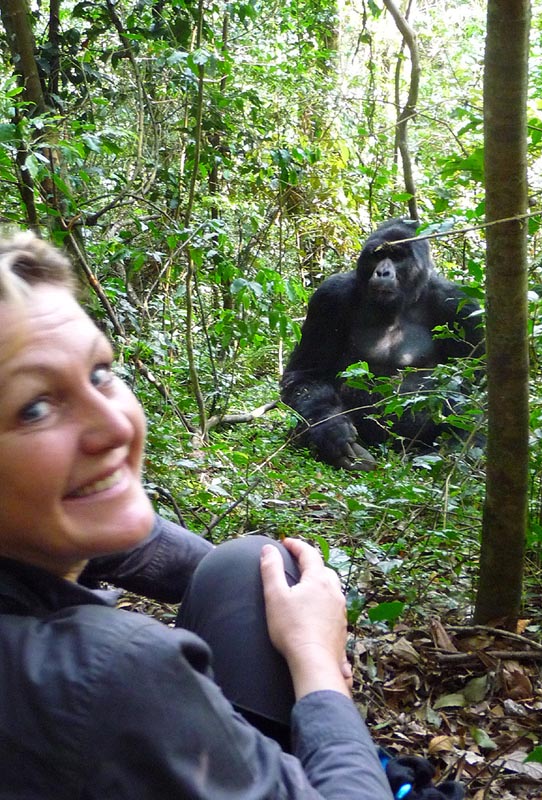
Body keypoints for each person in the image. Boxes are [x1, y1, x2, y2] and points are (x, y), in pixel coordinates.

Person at [0, 231, 394, 799]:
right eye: (34, 408)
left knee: (251, 565)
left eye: (100, 373)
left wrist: (267, 595)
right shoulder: (113, 671)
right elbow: (304, 380)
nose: (115, 426)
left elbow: (141, 547)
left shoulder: (451, 305)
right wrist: (317, 664)